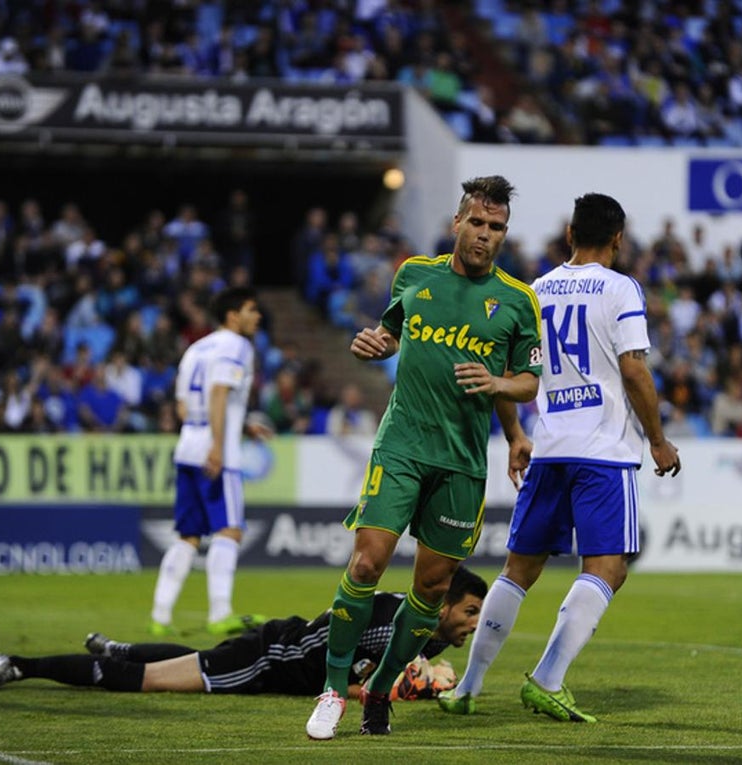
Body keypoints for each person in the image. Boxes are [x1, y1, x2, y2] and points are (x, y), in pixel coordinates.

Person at [305, 176, 543, 740]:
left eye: (496, 227)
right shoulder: (415, 274)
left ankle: (381, 689)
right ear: (457, 222)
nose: (485, 235)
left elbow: (528, 381)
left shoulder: (518, 300)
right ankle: (334, 690)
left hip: (461, 462)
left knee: (433, 590)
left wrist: (503, 398)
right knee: (366, 564)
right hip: (402, 445)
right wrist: (375, 344)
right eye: (477, 223)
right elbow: (392, 332)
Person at [437, 192, 681, 723]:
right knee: (608, 568)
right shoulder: (620, 288)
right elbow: (634, 369)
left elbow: (506, 373)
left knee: (517, 570)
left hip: (548, 448)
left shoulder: (534, 291)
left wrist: (515, 436)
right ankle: (547, 679)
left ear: (570, 234)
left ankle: (468, 687)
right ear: (618, 239)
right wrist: (658, 440)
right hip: (603, 453)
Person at [0, 566, 487, 699]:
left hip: (277, 647)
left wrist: (419, 673)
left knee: (194, 659)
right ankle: (20, 665)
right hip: (269, 661)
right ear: (443, 604)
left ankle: (119, 647)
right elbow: (350, 677)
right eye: (469, 611)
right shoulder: (395, 623)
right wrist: (407, 687)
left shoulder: (427, 627)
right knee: (152, 681)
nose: (473, 622)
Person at [149, 286, 269, 638]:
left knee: (188, 535)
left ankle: (159, 617)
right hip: (218, 453)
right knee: (229, 530)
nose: (257, 316)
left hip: (187, 447)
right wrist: (218, 444)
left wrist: (240, 425)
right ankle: (220, 612)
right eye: (251, 309)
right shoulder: (238, 346)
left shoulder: (196, 348)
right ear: (233, 315)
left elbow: (184, 408)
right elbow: (218, 392)